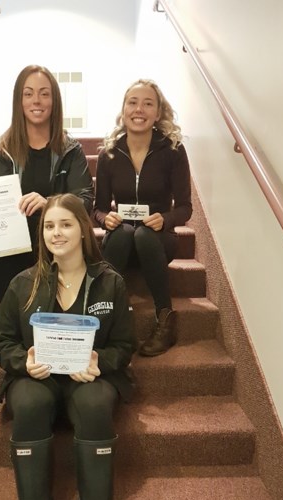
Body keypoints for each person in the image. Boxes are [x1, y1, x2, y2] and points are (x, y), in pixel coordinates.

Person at [0, 193, 134, 500]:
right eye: (49, 226)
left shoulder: (110, 282)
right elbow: (0, 342)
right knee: (29, 403)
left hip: (88, 381)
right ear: (42, 233)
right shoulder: (24, 283)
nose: (57, 233)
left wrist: (100, 362)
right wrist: (23, 362)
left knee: (94, 405)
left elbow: (125, 346)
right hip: (38, 379)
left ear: (83, 230)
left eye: (66, 225)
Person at [0, 65, 94, 301]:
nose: (36, 101)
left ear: (54, 100)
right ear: (19, 101)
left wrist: (48, 204)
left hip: (57, 240)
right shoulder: (3, 149)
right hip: (14, 244)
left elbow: (85, 200)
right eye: (28, 94)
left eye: (44, 93)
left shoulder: (70, 149)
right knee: (10, 275)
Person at [92, 79, 192, 357]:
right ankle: (106, 320)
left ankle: (165, 320)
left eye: (148, 103)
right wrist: (105, 219)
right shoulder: (109, 154)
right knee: (125, 233)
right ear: (123, 110)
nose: (139, 109)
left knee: (144, 235)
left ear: (158, 113)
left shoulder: (173, 151)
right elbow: (97, 208)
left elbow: (185, 207)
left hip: (158, 242)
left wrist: (166, 219)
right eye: (133, 102)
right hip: (120, 240)